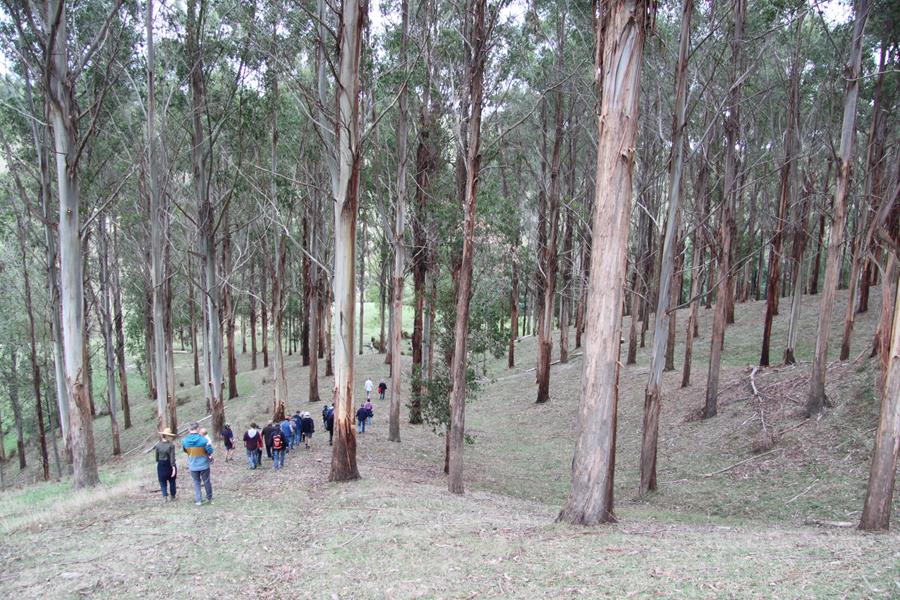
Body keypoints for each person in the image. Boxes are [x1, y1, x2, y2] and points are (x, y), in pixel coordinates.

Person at [182, 422, 213, 506]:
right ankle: (209, 497)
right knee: (206, 481)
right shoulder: (204, 440)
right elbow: (210, 451)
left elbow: (185, 450)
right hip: (204, 465)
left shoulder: (184, 441)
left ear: (189, 429)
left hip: (193, 465)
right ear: (198, 429)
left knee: (196, 482)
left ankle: (198, 500)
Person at [154, 428, 177, 502]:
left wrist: (159, 462)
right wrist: (173, 466)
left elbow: (156, 457)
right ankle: (172, 496)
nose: (171, 437)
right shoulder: (171, 445)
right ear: (167, 436)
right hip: (169, 464)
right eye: (170, 436)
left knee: (162, 481)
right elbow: (172, 457)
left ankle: (164, 496)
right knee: (172, 480)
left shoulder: (158, 445)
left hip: (160, 464)